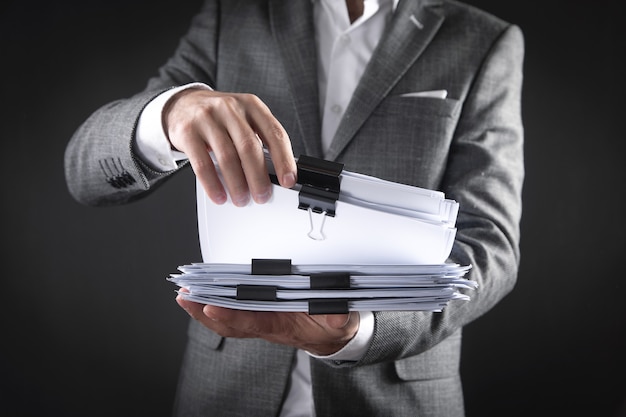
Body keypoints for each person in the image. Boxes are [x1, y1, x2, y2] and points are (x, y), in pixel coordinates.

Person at [64, 0, 524, 416]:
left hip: (394, 395)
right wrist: (168, 115)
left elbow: (490, 244)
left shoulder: (482, 39)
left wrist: (365, 327)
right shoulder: (235, 13)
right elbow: (83, 173)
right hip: (227, 392)